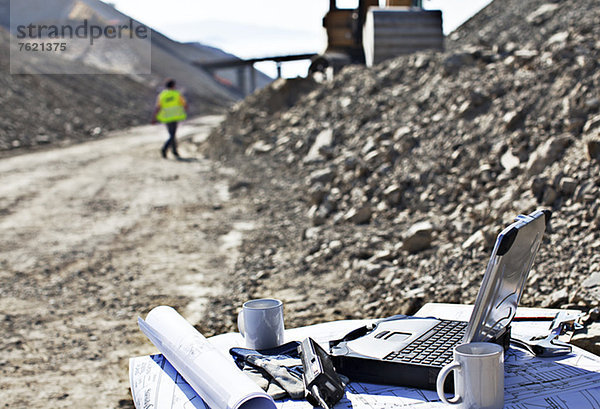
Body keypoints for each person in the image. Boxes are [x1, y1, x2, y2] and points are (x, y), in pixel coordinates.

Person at [152, 79, 188, 158]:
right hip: (175, 117)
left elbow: (158, 107)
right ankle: (165, 149)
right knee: (172, 135)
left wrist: (154, 118)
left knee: (172, 134)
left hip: (166, 118)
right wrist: (184, 110)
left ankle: (174, 151)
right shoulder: (176, 94)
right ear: (173, 86)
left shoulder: (162, 95)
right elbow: (184, 104)